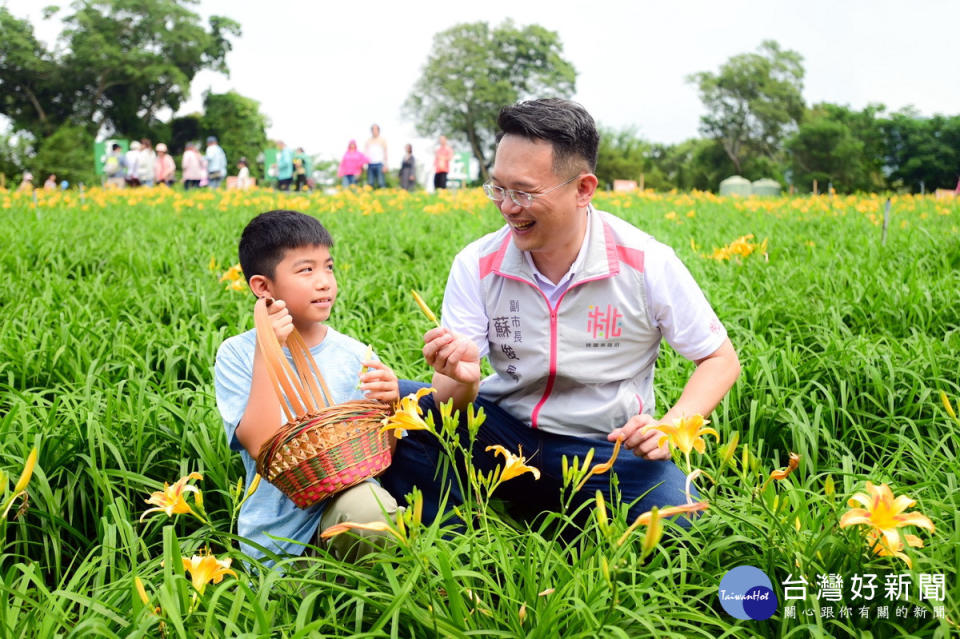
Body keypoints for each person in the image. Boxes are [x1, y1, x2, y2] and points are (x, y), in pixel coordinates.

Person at [381, 98, 741, 528]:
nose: (507, 206)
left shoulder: (645, 262)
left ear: (583, 189)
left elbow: (720, 359)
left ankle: (553, 520)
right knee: (396, 407)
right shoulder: (477, 263)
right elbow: (451, 403)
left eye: (524, 192)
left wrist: (670, 426)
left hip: (605, 450)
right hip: (503, 434)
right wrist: (461, 379)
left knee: (685, 528)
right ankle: (460, 547)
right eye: (498, 188)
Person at [214, 209, 402, 565]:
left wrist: (392, 406)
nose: (324, 282)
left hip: (347, 509)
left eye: (328, 267)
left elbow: (378, 455)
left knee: (370, 509)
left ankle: (356, 595)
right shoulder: (236, 354)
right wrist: (268, 350)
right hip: (277, 534)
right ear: (262, 287)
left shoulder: (355, 353)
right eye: (306, 270)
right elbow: (259, 444)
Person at [364, 124, 387, 189]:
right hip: (370, 164)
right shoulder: (368, 141)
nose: (374, 131)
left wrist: (385, 165)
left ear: (378, 131)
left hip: (380, 163)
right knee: (370, 183)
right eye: (373, 130)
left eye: (376, 129)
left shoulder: (382, 140)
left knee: (381, 182)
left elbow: (385, 153)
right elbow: (366, 154)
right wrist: (365, 165)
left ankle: (383, 196)